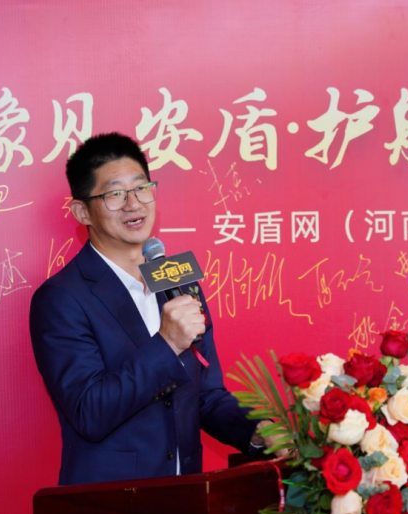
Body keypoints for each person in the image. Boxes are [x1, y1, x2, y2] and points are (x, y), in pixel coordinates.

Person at [29, 132, 281, 486]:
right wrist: (167, 344)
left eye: (141, 188)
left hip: (186, 496)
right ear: (82, 211)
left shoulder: (177, 282)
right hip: (109, 502)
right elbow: (89, 411)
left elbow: (205, 395)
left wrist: (256, 430)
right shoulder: (61, 298)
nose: (133, 204)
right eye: (115, 194)